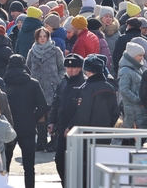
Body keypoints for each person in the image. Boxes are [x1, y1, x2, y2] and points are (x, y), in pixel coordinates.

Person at [2, 55, 48, 188]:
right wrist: (32, 119)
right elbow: (43, 106)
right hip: (27, 128)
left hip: (7, 127)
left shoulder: (3, 82)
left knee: (5, 165)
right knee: (29, 166)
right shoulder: (33, 83)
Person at [24, 27, 64, 152]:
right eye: (40, 36)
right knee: (39, 114)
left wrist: (58, 80)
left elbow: (62, 67)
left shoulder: (55, 51)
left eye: (44, 36)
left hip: (52, 86)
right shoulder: (32, 51)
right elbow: (27, 67)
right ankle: (41, 140)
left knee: (51, 113)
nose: (42, 39)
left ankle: (53, 141)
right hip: (36, 87)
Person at [48, 53, 85, 186]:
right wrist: (51, 122)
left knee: (76, 163)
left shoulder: (83, 84)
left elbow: (81, 111)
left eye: (74, 67)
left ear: (80, 68)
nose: (70, 70)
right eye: (68, 68)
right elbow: (56, 103)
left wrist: (71, 126)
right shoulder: (63, 82)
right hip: (61, 129)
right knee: (59, 160)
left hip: (75, 131)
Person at [70, 54, 119, 131]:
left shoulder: (87, 89)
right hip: (105, 134)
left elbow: (83, 114)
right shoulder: (110, 87)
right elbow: (115, 112)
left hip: (88, 135)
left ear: (89, 72)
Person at [118, 42, 147, 132]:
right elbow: (124, 90)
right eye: (140, 55)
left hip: (137, 108)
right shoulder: (126, 70)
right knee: (133, 135)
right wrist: (137, 100)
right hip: (133, 109)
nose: (142, 58)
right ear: (133, 56)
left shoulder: (136, 68)